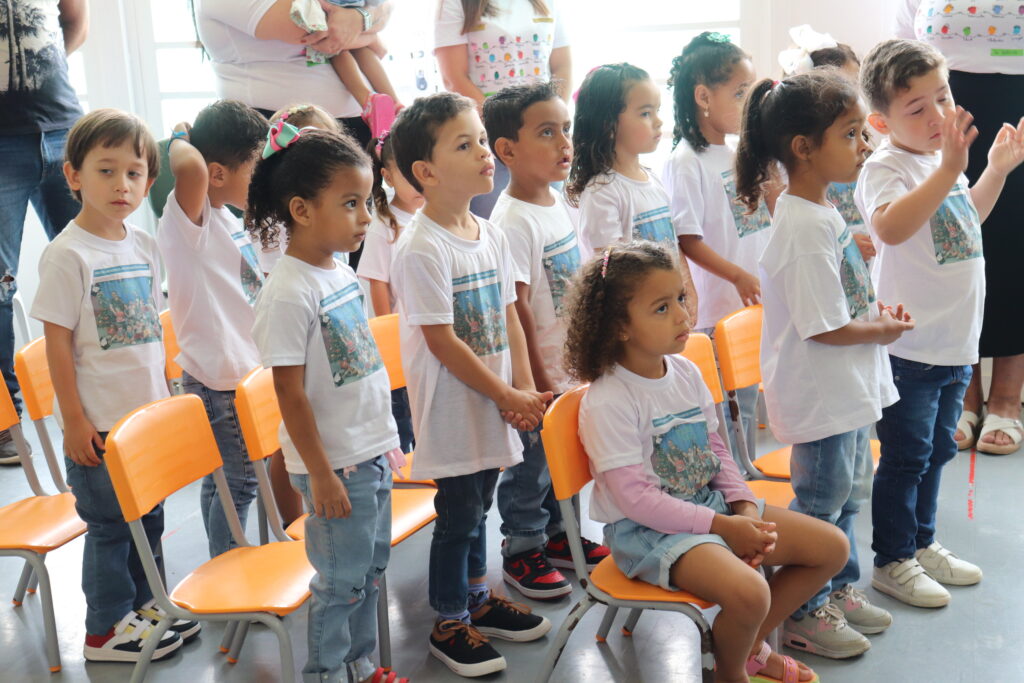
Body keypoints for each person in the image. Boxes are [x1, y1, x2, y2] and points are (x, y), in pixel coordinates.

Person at [567, 241, 845, 683]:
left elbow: (717, 451)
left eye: (680, 297)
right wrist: (723, 527)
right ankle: (729, 671)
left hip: (709, 507)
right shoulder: (609, 401)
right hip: (647, 534)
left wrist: (745, 509)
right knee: (750, 592)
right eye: (661, 308)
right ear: (619, 326)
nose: (682, 314)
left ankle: (749, 644)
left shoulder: (685, 372)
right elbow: (637, 501)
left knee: (831, 548)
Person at [738, 69, 913, 659]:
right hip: (822, 398)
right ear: (803, 148)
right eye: (851, 135)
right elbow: (825, 327)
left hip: (846, 390)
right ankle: (804, 612)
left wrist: (872, 310)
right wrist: (881, 327)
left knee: (849, 494)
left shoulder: (824, 212)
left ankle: (834, 586)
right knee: (819, 506)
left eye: (863, 134)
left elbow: (839, 304)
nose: (864, 147)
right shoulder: (803, 226)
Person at [389, 92, 552, 677]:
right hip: (457, 408)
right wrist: (506, 394)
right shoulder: (422, 247)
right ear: (425, 173)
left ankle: (476, 598)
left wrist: (526, 388)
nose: (484, 152)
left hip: (497, 402)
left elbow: (510, 313)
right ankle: (449, 617)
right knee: (458, 514)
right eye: (465, 144)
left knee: (481, 504)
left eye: (481, 140)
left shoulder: (488, 231)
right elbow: (442, 341)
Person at [857, 39, 1024, 607]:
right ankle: (892, 559)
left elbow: (964, 220)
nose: (937, 115)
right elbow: (891, 230)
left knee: (937, 454)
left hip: (956, 345)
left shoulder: (939, 160)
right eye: (917, 108)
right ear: (881, 121)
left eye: (943, 98)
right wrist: (950, 167)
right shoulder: (886, 167)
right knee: (904, 458)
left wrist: (994, 171)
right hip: (910, 348)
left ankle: (921, 544)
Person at [30, 109, 199, 662]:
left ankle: (146, 606)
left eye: (134, 173)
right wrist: (73, 420)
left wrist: (169, 398)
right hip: (97, 425)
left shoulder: (144, 247)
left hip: (142, 420)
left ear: (149, 181)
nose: (122, 185)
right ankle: (105, 630)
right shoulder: (67, 254)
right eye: (106, 171)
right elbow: (56, 345)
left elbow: (152, 334)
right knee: (109, 527)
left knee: (148, 516)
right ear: (73, 175)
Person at [248, 123, 410, 683]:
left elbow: (356, 370)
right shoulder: (289, 291)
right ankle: (325, 673)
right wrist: (319, 475)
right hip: (334, 465)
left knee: (368, 571)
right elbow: (289, 395)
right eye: (351, 204)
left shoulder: (338, 272)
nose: (366, 217)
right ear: (302, 209)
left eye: (367, 202)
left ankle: (361, 666)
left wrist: (387, 441)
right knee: (339, 581)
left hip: (369, 452)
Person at [482, 81, 609, 601]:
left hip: (568, 362)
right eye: (547, 132)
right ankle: (523, 547)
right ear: (506, 150)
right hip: (539, 374)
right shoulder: (510, 221)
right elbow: (517, 311)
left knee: (564, 457)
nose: (564, 143)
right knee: (531, 466)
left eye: (566, 130)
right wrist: (533, 380)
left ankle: (561, 537)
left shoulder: (556, 201)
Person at [896, 0, 1024, 456]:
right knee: (952, 248)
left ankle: (1008, 397)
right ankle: (962, 393)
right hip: (945, 109)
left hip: (1019, 101)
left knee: (1016, 248)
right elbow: (901, 45)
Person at [156, 100, 269, 558]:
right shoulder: (189, 220)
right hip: (219, 382)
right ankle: (228, 565)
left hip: (244, 375)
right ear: (217, 174)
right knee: (233, 485)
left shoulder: (225, 216)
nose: (263, 180)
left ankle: (237, 557)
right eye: (255, 169)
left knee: (240, 480)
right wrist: (181, 136)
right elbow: (189, 169)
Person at [662, 32, 768, 465]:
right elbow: (687, 240)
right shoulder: (685, 161)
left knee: (744, 401)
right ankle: (734, 487)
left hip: (747, 304)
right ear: (703, 96)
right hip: (715, 311)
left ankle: (748, 475)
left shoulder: (735, 151)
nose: (749, 102)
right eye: (740, 92)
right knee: (721, 413)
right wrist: (738, 275)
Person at [0, 0, 87, 464]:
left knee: (96, 264)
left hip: (64, 128)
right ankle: (5, 422)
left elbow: (76, 20)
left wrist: (38, 73)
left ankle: (107, 395)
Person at [567, 62, 698, 325]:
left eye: (657, 110)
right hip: (637, 321)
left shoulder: (653, 179)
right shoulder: (602, 192)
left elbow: (673, 245)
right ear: (608, 124)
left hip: (668, 310)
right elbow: (610, 270)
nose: (659, 121)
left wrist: (687, 290)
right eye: (645, 113)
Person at [434, 0, 572, 218]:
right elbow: (454, 78)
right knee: (496, 227)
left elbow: (562, 66)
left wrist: (554, 126)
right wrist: (506, 130)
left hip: (544, 140)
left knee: (553, 222)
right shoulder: (455, 3)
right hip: (492, 142)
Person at [194, 0, 393, 149]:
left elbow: (386, 8)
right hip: (284, 127)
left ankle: (393, 106)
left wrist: (360, 19)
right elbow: (319, 30)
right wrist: (369, 29)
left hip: (354, 127)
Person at [777, 25, 877, 264]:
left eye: (857, 85)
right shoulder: (792, 164)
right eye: (845, 87)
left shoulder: (861, 148)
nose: (854, 96)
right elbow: (792, 237)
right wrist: (847, 245)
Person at [356, 130, 423, 454]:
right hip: (399, 346)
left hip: (427, 342)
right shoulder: (384, 223)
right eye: (405, 173)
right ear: (387, 176)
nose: (417, 180)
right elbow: (378, 283)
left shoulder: (431, 216)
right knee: (402, 424)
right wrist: (391, 340)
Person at [289, 0, 400, 138]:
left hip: (335, 13)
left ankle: (366, 99)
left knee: (338, 50)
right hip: (357, 9)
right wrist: (372, 38)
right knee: (364, 50)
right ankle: (395, 103)